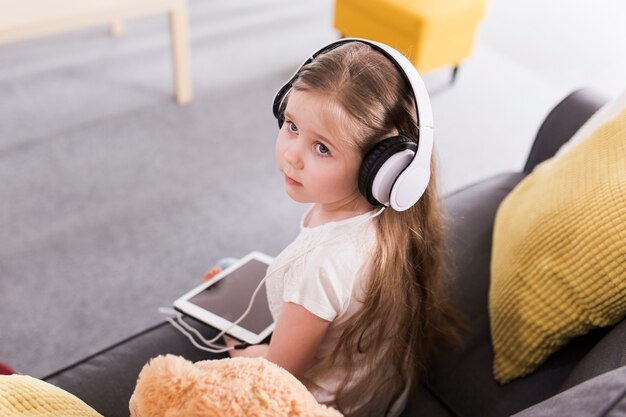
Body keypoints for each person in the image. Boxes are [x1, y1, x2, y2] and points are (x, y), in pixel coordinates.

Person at [203, 39, 459, 417]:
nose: (292, 155)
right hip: (378, 396)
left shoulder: (320, 265)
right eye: (291, 125)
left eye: (321, 148)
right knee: (229, 272)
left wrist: (230, 336)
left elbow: (277, 375)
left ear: (382, 168)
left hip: (318, 404)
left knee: (220, 288)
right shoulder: (390, 222)